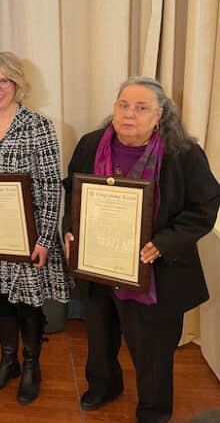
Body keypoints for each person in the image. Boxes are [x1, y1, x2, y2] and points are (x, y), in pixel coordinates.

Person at [62, 77, 220, 423]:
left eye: (141, 107)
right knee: (100, 336)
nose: (129, 114)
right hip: (100, 263)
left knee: (153, 350)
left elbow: (205, 206)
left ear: (159, 115)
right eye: (123, 105)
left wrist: (163, 244)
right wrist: (70, 231)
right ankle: (104, 386)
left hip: (156, 273)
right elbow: (73, 192)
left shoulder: (183, 154)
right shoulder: (91, 144)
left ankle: (153, 409)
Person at [0, 52, 70, 404]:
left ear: (17, 84)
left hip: (28, 234)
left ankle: (31, 364)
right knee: (0, 299)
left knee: (28, 304)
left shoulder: (39, 126)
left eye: (4, 81)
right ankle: (8, 361)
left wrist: (45, 239)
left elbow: (52, 185)